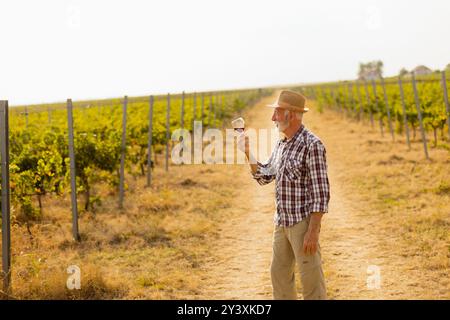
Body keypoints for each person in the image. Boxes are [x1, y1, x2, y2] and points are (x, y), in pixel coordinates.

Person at [238, 90, 330, 300]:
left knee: (311, 280)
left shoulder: (312, 145)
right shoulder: (282, 144)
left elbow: (321, 192)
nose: (273, 118)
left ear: (293, 114)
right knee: (279, 276)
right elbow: (265, 176)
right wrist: (247, 152)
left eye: (277, 112)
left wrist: (313, 230)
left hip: (302, 224)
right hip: (281, 223)